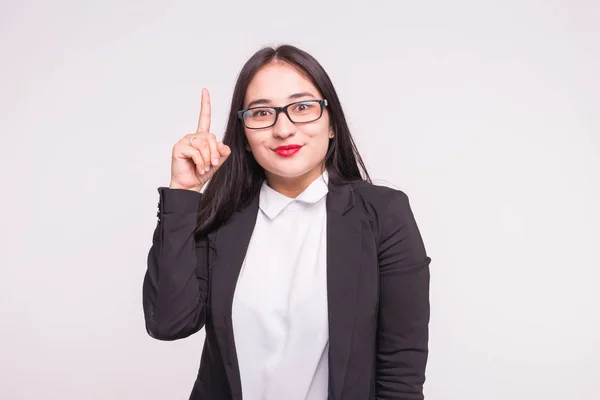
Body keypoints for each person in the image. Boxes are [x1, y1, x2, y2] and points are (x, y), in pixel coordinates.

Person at [142, 44, 431, 400]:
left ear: (331, 124)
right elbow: (168, 323)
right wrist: (183, 193)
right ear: (245, 135)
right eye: (262, 113)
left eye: (302, 107)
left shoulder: (382, 214)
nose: (283, 128)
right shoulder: (222, 218)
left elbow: (401, 370)